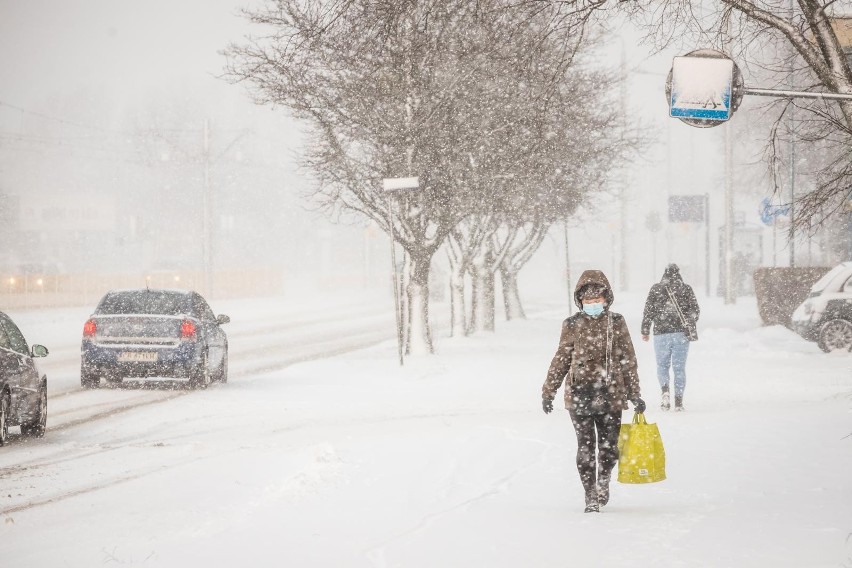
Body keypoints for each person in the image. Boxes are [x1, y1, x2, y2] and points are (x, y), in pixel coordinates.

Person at [541, 269, 645, 513]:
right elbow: (562, 357)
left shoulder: (616, 322)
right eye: (588, 301)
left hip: (611, 394)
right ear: (580, 302)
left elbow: (627, 358)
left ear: (606, 299)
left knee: (609, 448)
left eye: (597, 300)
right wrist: (549, 391)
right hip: (579, 394)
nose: (593, 304)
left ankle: (603, 481)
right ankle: (590, 495)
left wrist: (634, 393)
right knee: (586, 447)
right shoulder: (572, 324)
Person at [641, 263, 700, 411]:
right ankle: (678, 402)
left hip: (661, 334)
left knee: (662, 366)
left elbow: (648, 311)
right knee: (679, 368)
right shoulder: (685, 289)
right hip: (681, 334)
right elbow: (695, 311)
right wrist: (688, 321)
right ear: (679, 274)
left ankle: (665, 391)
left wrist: (645, 330)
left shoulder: (656, 289)